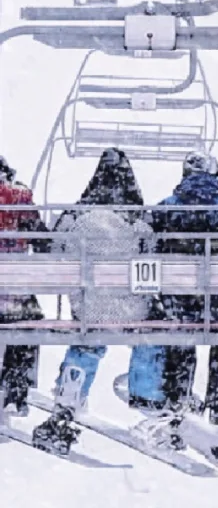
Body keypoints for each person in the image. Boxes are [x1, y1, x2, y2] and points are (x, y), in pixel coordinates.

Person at [32, 149, 153, 457]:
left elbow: (53, 251)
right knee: (151, 335)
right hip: (132, 312)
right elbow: (154, 255)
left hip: (89, 308)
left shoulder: (77, 216)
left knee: (87, 338)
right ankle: (149, 394)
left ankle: (71, 392)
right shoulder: (139, 218)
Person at [129, 152, 218, 426]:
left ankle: (178, 397)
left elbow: (150, 249)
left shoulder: (166, 208)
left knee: (180, 338)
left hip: (180, 299)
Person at [0, 155, 47, 416]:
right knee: (30, 321)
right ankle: (16, 389)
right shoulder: (19, 195)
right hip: (12, 292)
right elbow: (39, 236)